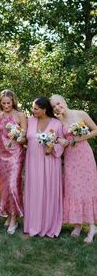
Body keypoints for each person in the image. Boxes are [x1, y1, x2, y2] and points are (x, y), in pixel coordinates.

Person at [50, 94, 97, 243]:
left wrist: (79, 138)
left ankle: (92, 226)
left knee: (87, 189)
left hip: (84, 156)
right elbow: (55, 137)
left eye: (58, 103)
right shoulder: (58, 121)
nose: (57, 107)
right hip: (70, 158)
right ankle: (77, 224)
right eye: (54, 106)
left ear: (64, 100)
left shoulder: (80, 114)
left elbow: (96, 130)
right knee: (73, 189)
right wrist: (61, 140)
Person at [24, 96, 64, 237]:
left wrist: (52, 148)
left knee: (48, 190)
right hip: (33, 161)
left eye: (36, 108)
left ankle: (49, 225)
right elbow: (25, 139)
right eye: (33, 108)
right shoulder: (30, 121)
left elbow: (61, 142)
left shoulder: (56, 123)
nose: (33, 110)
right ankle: (33, 224)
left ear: (44, 109)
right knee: (34, 190)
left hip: (50, 162)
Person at [0, 90, 27, 234]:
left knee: (14, 185)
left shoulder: (20, 115)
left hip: (16, 154)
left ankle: (14, 218)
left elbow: (25, 138)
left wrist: (18, 136)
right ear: (0, 103)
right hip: (1, 154)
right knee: (4, 186)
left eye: (9, 103)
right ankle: (8, 213)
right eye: (4, 103)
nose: (6, 105)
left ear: (13, 101)